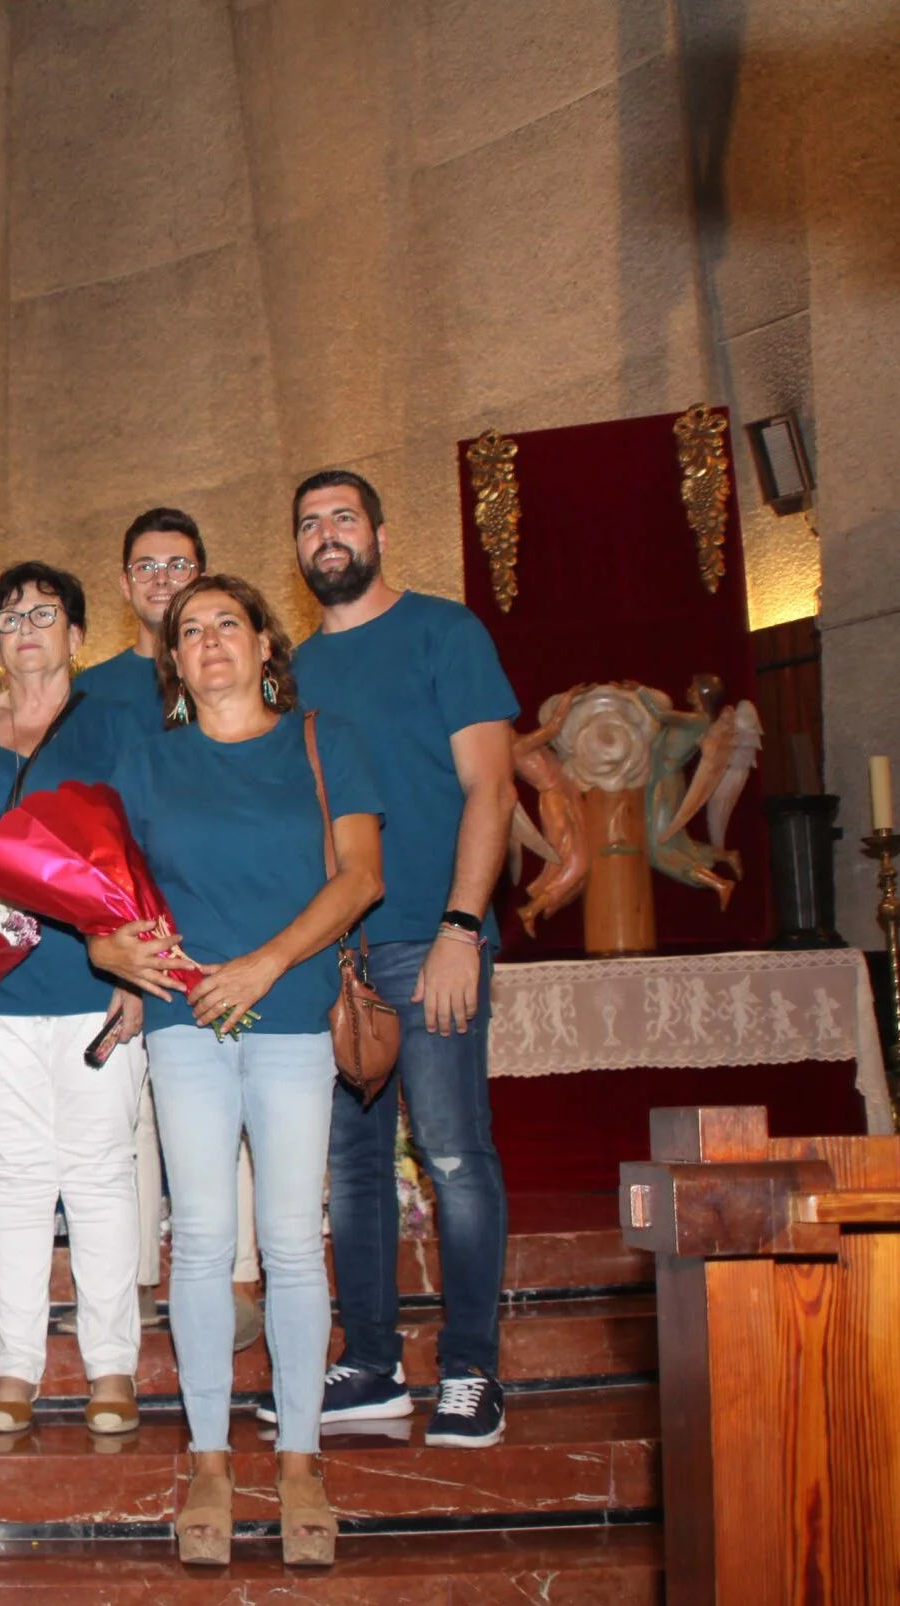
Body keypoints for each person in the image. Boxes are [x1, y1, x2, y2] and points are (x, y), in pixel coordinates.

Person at [94, 573, 383, 1568]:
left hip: (295, 1012)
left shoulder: (323, 742)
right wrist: (110, 953)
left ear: (267, 645)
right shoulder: (146, 762)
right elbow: (102, 890)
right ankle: (211, 1456)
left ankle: (299, 1457)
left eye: (228, 625)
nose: (209, 641)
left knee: (292, 1242)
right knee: (205, 1235)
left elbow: (360, 877)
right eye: (189, 632)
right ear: (171, 662)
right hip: (184, 1024)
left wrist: (265, 961)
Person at [288, 469, 519, 1449]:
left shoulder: (444, 632)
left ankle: (470, 1368)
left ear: (380, 532)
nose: (327, 535)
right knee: (349, 1168)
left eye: (343, 517)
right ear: (297, 553)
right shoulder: (289, 670)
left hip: (430, 936)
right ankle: (371, 1363)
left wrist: (463, 927)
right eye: (309, 525)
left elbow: (490, 788)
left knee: (453, 1152)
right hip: (333, 958)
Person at [0, 564, 144, 1436]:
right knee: (13, 1173)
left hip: (95, 985)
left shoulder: (118, 726)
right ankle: (16, 1362)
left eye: (45, 613)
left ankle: (111, 1363)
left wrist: (137, 972)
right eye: (9, 618)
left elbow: (150, 851)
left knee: (99, 1172)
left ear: (79, 633)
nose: (27, 629)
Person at [75, 508, 262, 1350]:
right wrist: (120, 942)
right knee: (147, 1109)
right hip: (138, 923)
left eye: (177, 564)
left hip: (227, 915)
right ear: (124, 585)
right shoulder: (101, 687)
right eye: (144, 566)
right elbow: (98, 819)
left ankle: (239, 1274)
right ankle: (154, 1277)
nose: (160, 577)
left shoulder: (235, 672)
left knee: (235, 1105)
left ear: (203, 573)